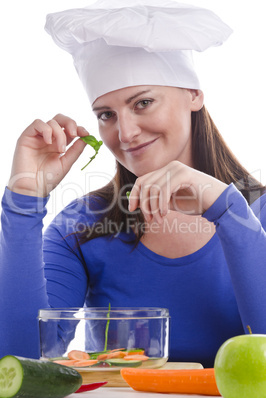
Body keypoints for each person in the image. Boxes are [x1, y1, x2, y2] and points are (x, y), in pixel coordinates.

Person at [1, 0, 266, 368]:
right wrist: (24, 202)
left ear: (194, 94)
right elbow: (20, 362)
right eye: (106, 115)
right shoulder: (81, 227)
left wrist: (228, 208)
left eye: (142, 102)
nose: (124, 133)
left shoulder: (260, 212)